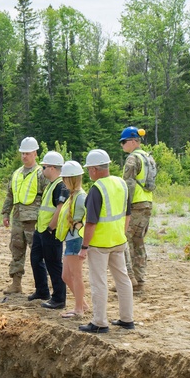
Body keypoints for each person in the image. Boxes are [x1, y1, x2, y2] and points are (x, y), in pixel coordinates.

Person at [78, 149, 135, 334]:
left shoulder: (97, 189)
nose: (88, 172)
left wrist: (84, 246)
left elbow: (91, 222)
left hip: (100, 244)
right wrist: (121, 234)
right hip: (119, 241)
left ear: (95, 169)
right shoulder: (121, 183)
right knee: (123, 279)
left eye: (89, 169)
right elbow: (127, 214)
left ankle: (99, 322)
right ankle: (127, 319)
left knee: (98, 282)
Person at [1, 137, 48, 295]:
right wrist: (5, 213)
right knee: (16, 250)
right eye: (22, 153)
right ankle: (16, 283)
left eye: (27, 153)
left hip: (34, 221)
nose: (24, 156)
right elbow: (10, 195)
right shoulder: (16, 174)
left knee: (38, 254)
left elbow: (48, 197)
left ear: (35, 153)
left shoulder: (42, 173)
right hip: (18, 218)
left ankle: (42, 286)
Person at [31, 151, 69, 309]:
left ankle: (59, 298)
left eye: (44, 167)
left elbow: (60, 209)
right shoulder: (51, 184)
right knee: (36, 259)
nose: (42, 170)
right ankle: (42, 290)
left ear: (52, 168)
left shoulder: (61, 186)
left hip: (50, 232)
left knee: (53, 264)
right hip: (41, 230)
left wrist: (50, 228)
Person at [120, 127, 152, 293]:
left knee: (122, 240)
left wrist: (125, 206)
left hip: (135, 205)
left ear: (133, 141)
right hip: (147, 203)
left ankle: (128, 278)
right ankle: (139, 281)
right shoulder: (148, 157)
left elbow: (128, 184)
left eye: (124, 142)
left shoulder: (132, 159)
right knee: (138, 242)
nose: (122, 145)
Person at [56, 160, 88, 318]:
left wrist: (79, 226)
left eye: (64, 179)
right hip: (70, 239)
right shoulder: (73, 196)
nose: (63, 182)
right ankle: (82, 304)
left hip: (76, 240)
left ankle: (79, 309)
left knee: (75, 275)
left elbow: (90, 218)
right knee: (66, 276)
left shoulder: (81, 197)